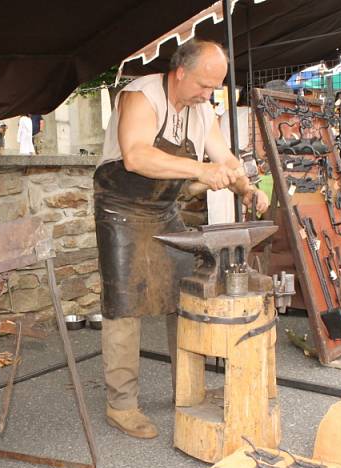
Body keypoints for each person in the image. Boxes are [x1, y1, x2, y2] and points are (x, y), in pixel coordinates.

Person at [93, 39, 269, 439]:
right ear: (180, 72)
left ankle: (185, 389)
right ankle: (121, 405)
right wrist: (198, 170)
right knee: (124, 306)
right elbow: (136, 156)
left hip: (163, 210)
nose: (208, 95)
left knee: (184, 296)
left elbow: (223, 159)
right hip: (121, 207)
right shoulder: (142, 95)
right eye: (204, 85)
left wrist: (245, 189)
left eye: (214, 87)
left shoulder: (201, 109)